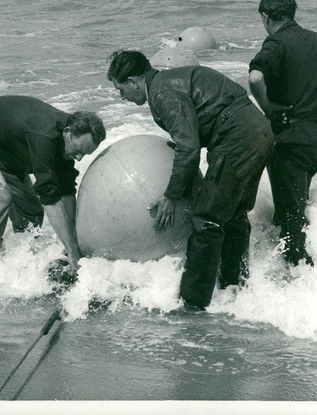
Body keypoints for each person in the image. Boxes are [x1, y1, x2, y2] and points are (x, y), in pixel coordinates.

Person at [107, 51, 273, 310]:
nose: (122, 97)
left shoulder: (162, 93)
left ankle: (193, 305)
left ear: (133, 81)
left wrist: (172, 195)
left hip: (238, 136)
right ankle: (235, 292)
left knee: (205, 218)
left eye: (120, 89)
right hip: (257, 131)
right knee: (233, 215)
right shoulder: (166, 83)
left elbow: (188, 147)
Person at [248, 0, 317, 267]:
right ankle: (304, 272)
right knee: (294, 210)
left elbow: (255, 77)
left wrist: (269, 108)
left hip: (289, 143)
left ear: (265, 15)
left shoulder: (276, 43)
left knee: (290, 220)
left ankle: (297, 281)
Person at [0, 96, 106, 274]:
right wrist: (73, 254)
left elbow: (66, 190)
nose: (79, 158)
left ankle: (17, 263)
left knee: (31, 210)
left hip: (3, 147)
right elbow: (49, 196)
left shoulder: (66, 138)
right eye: (78, 150)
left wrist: (74, 244)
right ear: (67, 132)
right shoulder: (45, 136)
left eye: (84, 155)